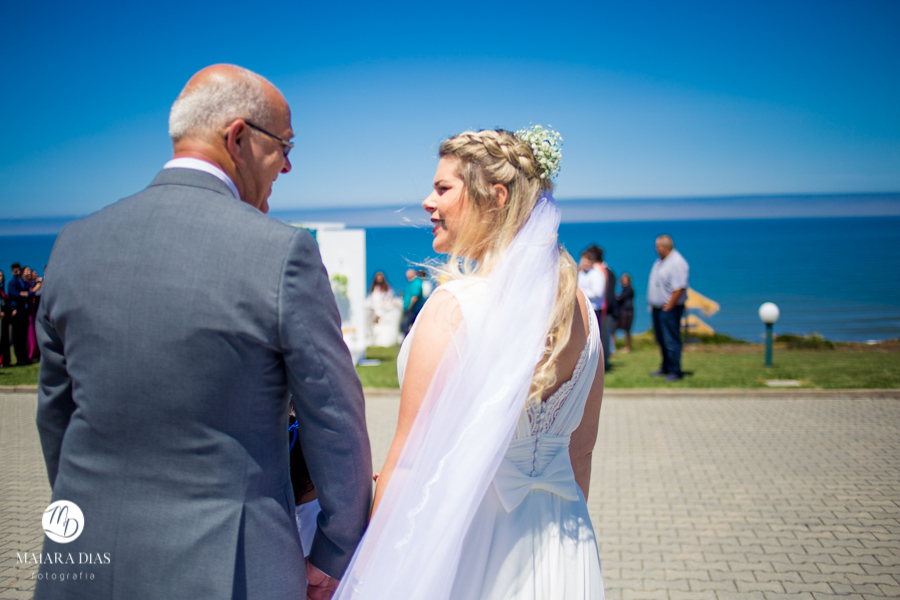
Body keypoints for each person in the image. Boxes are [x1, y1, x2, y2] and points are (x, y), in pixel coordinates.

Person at [35, 64, 372, 600]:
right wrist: (334, 550)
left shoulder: (73, 244)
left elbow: (56, 413)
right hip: (230, 565)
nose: (287, 166)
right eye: (283, 146)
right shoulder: (282, 252)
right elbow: (333, 420)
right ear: (238, 137)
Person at [335, 128, 605, 599]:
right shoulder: (581, 310)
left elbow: (409, 465)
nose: (428, 202)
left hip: (472, 545)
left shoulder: (454, 306)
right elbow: (580, 453)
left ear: (495, 197)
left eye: (443, 188)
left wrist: (367, 570)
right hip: (565, 542)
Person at [647, 234, 689, 381]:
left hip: (669, 308)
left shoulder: (677, 262)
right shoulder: (661, 261)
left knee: (671, 339)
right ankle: (665, 366)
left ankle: (675, 370)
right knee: (661, 339)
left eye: (657, 246)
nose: (655, 249)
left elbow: (679, 288)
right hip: (658, 308)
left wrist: (669, 306)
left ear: (664, 247)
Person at [595, 250, 616, 371]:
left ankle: (605, 362)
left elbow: (608, 294)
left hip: (606, 310)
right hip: (604, 309)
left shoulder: (606, 272)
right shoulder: (606, 271)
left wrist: (605, 309)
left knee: (604, 335)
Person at [366, 271, 400, 346]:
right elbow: (371, 300)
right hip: (375, 311)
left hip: (384, 311)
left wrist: (381, 312)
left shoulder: (387, 289)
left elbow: (388, 301)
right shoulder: (374, 289)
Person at [7, 263, 31, 366]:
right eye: (15, 270)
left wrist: (26, 294)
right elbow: (16, 295)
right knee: (17, 337)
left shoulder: (23, 282)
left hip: (24, 313)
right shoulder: (12, 283)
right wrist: (24, 294)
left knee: (24, 336)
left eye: (18, 270)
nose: (17, 272)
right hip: (17, 313)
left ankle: (24, 357)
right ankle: (19, 358)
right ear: (12, 272)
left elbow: (30, 293)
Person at [399, 268, 424, 336]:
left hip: (413, 309)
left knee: (404, 326)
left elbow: (415, 296)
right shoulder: (411, 283)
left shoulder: (416, 282)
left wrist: (409, 307)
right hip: (411, 309)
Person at [615, 273, 634, 353]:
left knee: (627, 329)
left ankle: (627, 347)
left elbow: (620, 298)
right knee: (617, 328)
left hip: (627, 311)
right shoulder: (624, 290)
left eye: (626, 280)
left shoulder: (629, 290)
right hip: (623, 311)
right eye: (623, 280)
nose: (625, 281)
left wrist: (616, 298)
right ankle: (615, 346)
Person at [0, 270, 10, 367]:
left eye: (2, 276)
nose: (1, 278)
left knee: (3, 340)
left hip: (3, 319)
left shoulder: (2, 291)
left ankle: (4, 360)